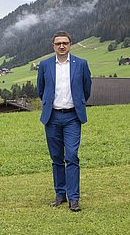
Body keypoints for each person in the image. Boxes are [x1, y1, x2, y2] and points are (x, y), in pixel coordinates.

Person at [37, 31, 92, 212]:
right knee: (56, 158)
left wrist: (76, 104)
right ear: (53, 46)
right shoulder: (45, 65)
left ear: (70, 44)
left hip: (72, 117)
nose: (62, 46)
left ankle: (74, 198)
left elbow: (86, 89)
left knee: (72, 156)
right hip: (52, 117)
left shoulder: (81, 64)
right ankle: (60, 194)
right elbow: (41, 89)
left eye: (65, 43)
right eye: (58, 43)